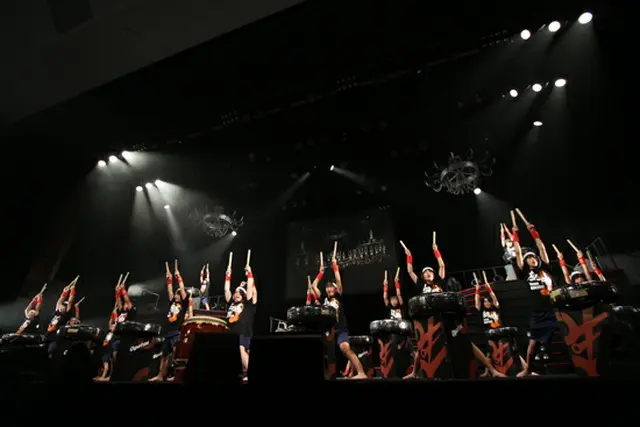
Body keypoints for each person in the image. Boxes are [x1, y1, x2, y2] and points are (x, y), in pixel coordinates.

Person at [511, 219, 556, 377]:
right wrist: (515, 234)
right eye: (529, 257)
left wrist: (533, 232)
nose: (533, 259)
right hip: (538, 311)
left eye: (534, 257)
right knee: (533, 342)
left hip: (554, 308)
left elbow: (542, 248)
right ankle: (529, 368)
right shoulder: (524, 273)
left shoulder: (545, 268)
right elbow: (517, 253)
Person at [310, 257, 368, 379]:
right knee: (326, 353)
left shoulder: (338, 297)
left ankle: (361, 372)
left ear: (336, 289)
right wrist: (320, 273)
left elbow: (338, 280)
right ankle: (330, 377)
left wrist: (335, 267)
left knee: (345, 348)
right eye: (327, 287)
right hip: (329, 331)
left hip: (341, 328)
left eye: (332, 287)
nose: (329, 289)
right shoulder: (324, 300)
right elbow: (313, 286)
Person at [150, 260, 191, 382]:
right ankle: (160, 375)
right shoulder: (172, 302)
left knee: (175, 353)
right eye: (176, 293)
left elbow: (183, 289)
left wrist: (179, 277)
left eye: (178, 293)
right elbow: (169, 289)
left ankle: (175, 375)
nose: (177, 294)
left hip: (177, 332)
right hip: (168, 331)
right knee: (164, 356)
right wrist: (169, 278)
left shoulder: (183, 304)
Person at [95, 277, 136, 382]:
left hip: (125, 337)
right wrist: (117, 292)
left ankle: (116, 376)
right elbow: (119, 302)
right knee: (113, 359)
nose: (124, 304)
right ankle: (112, 375)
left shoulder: (130, 312)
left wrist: (123, 290)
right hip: (117, 337)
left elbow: (126, 299)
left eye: (126, 304)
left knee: (118, 357)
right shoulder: (122, 312)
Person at [224, 263, 258, 380]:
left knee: (242, 349)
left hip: (242, 331)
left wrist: (249, 273)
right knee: (241, 352)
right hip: (232, 332)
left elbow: (250, 289)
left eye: (239, 293)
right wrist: (228, 275)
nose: (236, 294)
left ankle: (249, 373)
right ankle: (244, 372)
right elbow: (226, 289)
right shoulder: (231, 303)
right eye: (235, 293)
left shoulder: (247, 304)